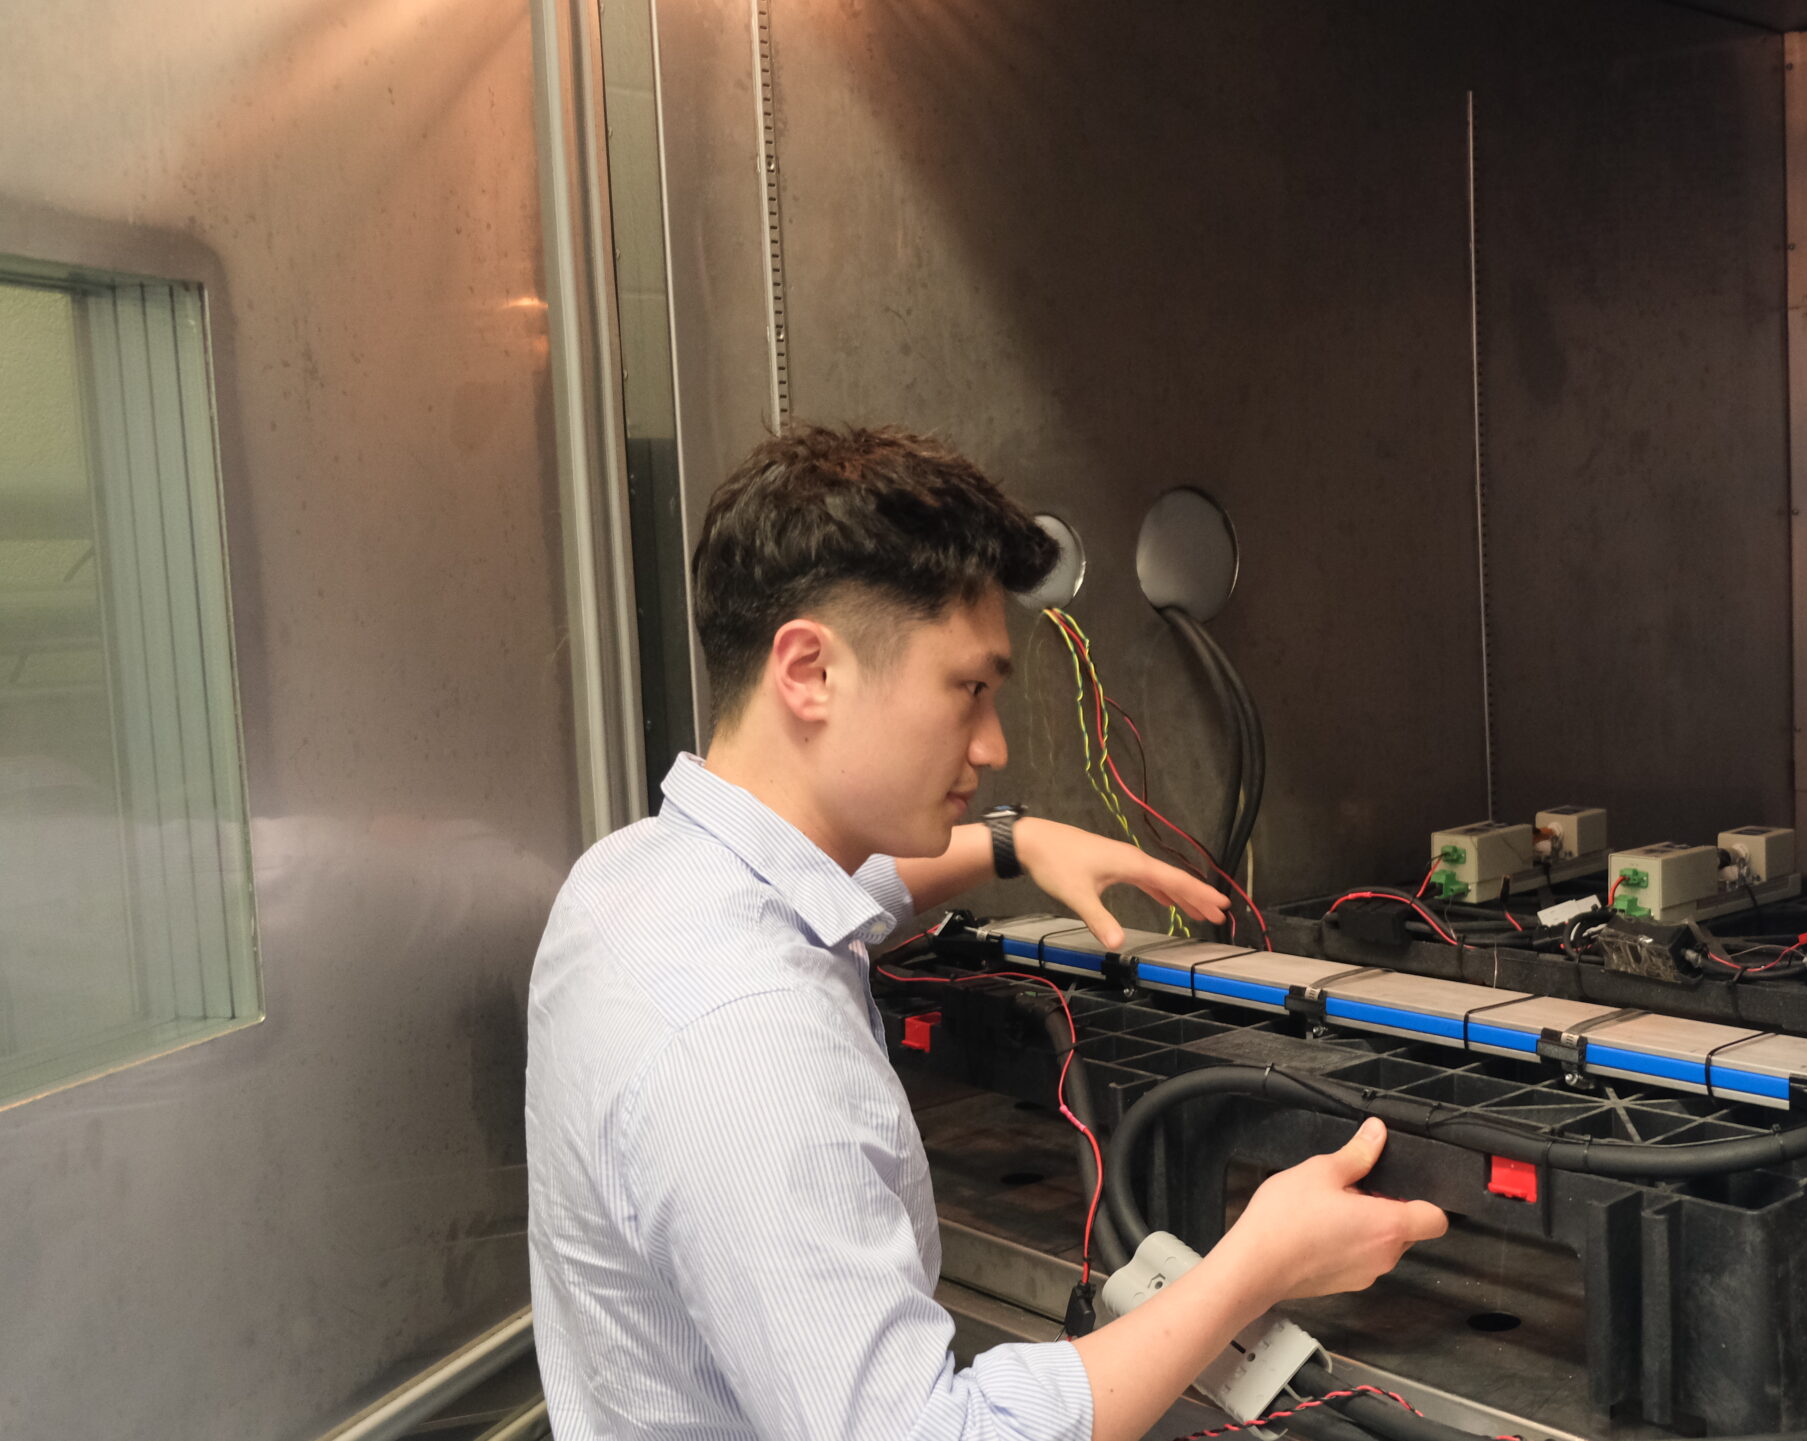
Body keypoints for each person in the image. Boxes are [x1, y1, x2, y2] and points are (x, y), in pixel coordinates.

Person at [525, 424, 1447, 1441]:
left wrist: (1010, 842)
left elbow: (825, 894)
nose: (996, 744)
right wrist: (1255, 1266)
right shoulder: (753, 1038)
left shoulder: (629, 880)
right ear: (808, 671)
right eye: (969, 688)